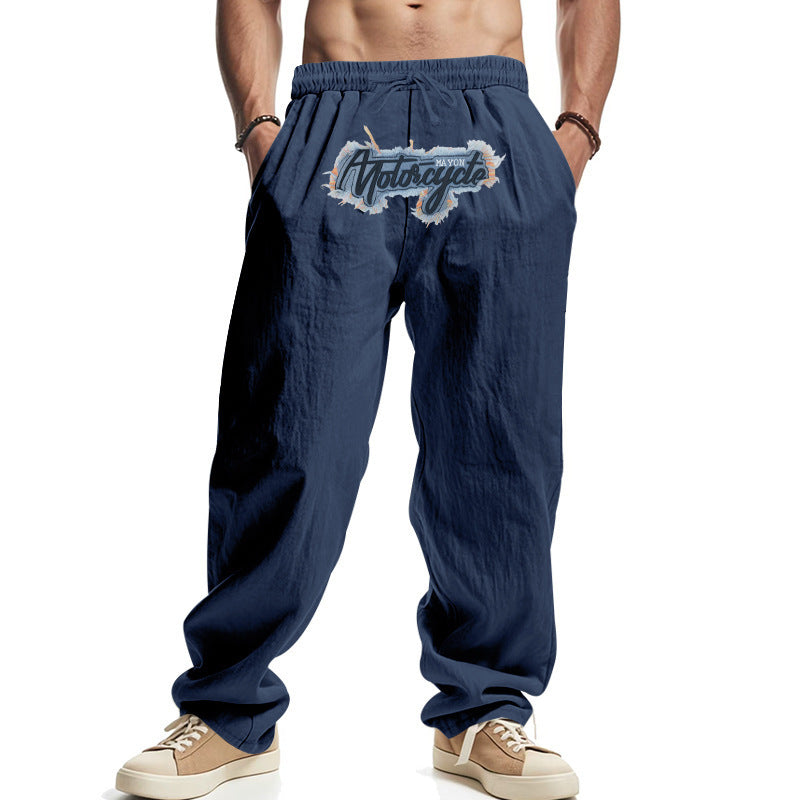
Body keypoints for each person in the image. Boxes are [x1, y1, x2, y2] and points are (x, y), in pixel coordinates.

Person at [115, 1, 619, 798]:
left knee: (498, 441)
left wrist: (576, 134)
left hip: (492, 120)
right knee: (289, 435)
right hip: (336, 115)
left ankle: (483, 709)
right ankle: (229, 711)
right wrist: (260, 132)